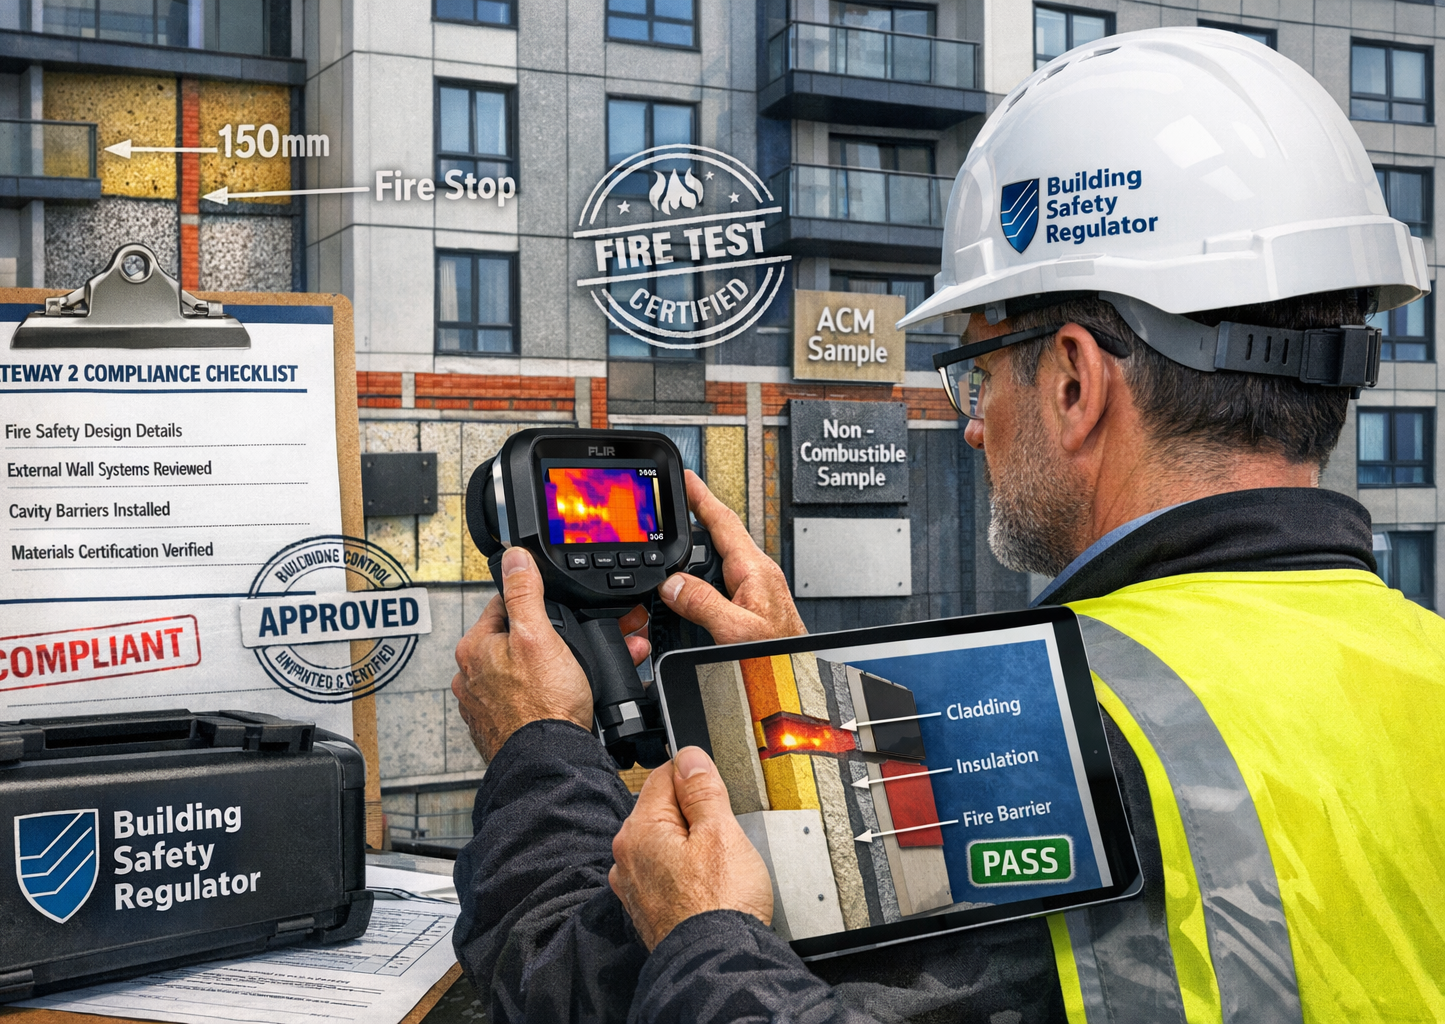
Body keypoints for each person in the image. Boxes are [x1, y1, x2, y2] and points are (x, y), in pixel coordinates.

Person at [450, 27, 1445, 1024]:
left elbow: (561, 990)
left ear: (1071, 382)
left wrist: (542, 754)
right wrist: (813, 725)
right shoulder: (1424, 662)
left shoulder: (1021, 722)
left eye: (977, 371)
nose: (971, 426)